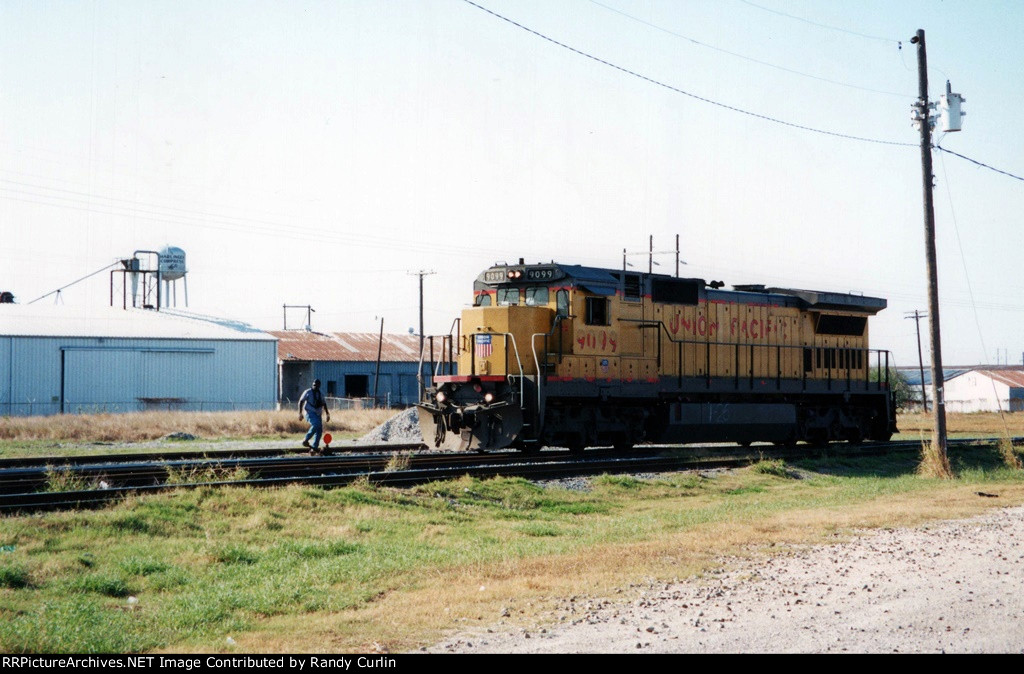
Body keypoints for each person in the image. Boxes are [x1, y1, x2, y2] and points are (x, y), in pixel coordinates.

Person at [298, 379, 330, 454]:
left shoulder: (321, 393)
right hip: (309, 412)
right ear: (312, 384)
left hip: (318, 413)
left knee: (319, 430)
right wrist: (300, 413)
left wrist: (327, 414)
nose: (315, 386)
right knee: (316, 424)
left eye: (317, 385)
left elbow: (324, 403)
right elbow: (301, 401)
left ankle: (314, 447)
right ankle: (306, 439)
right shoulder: (307, 392)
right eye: (314, 385)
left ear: (319, 386)